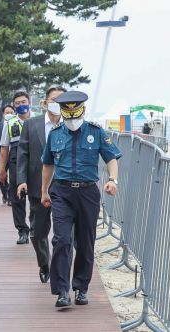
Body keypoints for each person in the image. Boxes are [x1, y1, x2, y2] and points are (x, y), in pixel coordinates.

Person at [41, 90, 121, 308]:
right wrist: (44, 191)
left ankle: (81, 288)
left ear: (82, 111)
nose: (72, 120)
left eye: (75, 115)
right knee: (61, 240)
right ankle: (62, 291)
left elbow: (111, 158)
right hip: (62, 192)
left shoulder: (96, 131)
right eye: (68, 116)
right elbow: (47, 164)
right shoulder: (55, 134)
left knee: (85, 242)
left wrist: (112, 180)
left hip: (87, 193)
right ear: (63, 114)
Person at [16, 86, 66, 284]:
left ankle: (60, 269)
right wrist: (21, 180)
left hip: (64, 187)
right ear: (45, 103)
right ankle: (44, 262)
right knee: (37, 232)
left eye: (62, 100)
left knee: (64, 234)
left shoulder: (71, 125)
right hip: (37, 185)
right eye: (54, 100)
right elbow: (22, 154)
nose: (57, 104)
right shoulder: (31, 124)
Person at [0, 91, 32, 245]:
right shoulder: (10, 123)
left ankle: (35, 227)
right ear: (13, 105)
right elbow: (4, 148)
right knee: (17, 197)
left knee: (36, 196)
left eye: (23, 102)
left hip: (35, 161)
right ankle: (22, 231)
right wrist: (2, 170)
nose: (21, 105)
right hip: (15, 162)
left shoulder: (38, 120)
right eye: (17, 103)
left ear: (29, 102)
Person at [0, 105, 15, 204]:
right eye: (7, 112)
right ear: (3, 114)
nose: (9, 114)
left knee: (13, 177)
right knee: (1, 176)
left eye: (11, 112)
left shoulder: (18, 124)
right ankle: (5, 193)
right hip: (1, 156)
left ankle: (10, 197)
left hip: (14, 155)